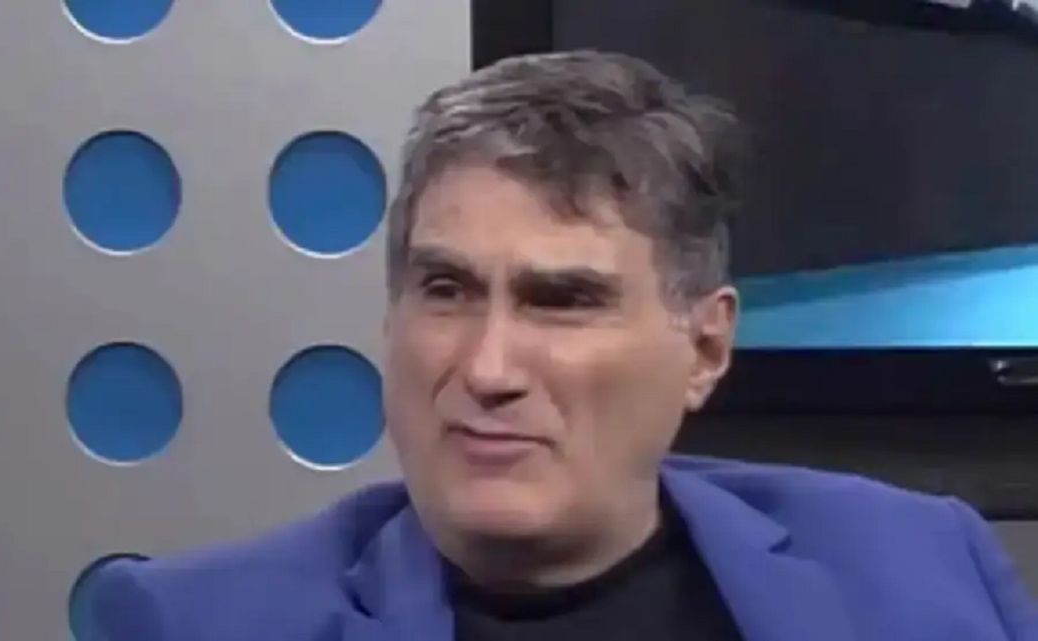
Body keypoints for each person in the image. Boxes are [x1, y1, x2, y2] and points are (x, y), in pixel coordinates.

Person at [92, 50, 1038, 641]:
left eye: (563, 301)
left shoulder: (916, 569)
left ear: (705, 349)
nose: (488, 368)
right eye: (446, 290)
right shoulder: (197, 622)